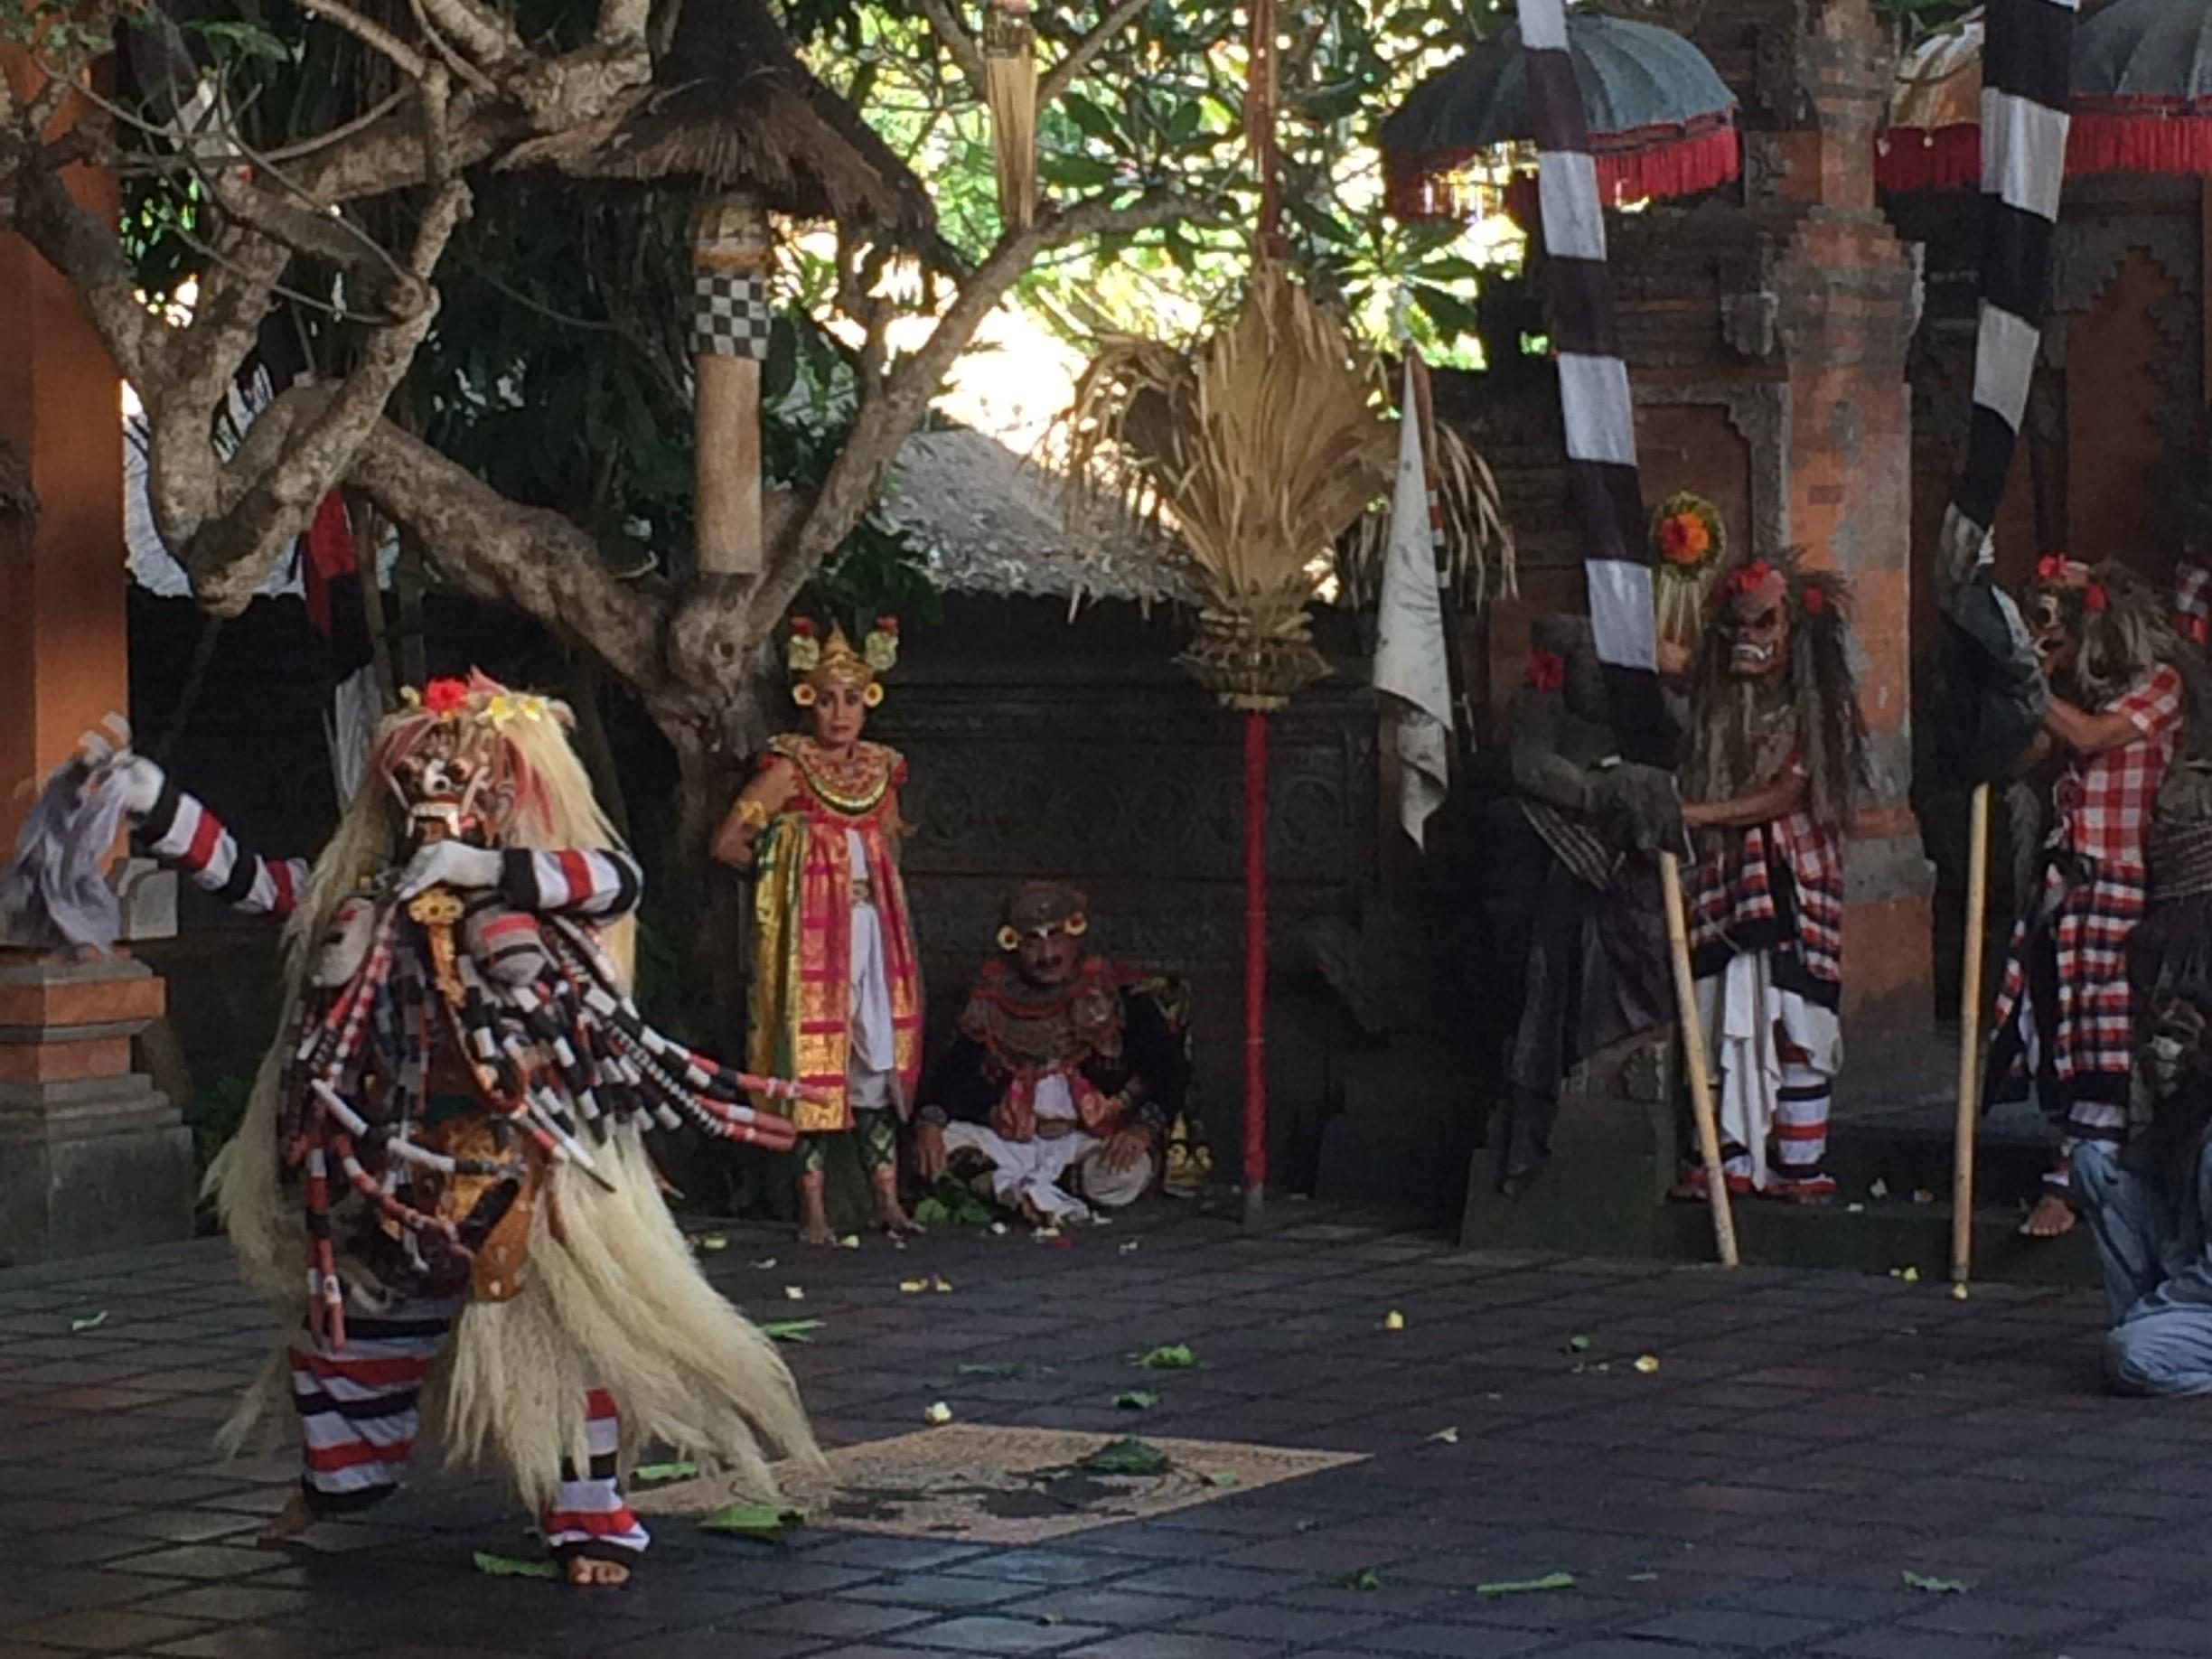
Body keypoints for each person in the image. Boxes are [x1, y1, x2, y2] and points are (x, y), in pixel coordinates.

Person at [4, 677, 821, 1587]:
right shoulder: (365, 891)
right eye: (422, 772)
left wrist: (488, 875)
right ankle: (338, 1483)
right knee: (345, 1332)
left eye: (461, 775)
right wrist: (153, 800)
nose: (437, 790)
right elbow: (257, 881)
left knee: (558, 1339)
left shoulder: (540, 891)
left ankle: (588, 1522)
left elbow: (613, 880)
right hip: (383, 1158)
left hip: (520, 1163)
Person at [1988, 558, 2190, 1239]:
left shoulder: (2159, 686)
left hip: (2120, 876)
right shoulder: (2077, 691)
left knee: (2104, 1033)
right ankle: (2076, 1164)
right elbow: (2026, 757)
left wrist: (2025, 672)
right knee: (2061, 1030)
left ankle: (2076, 1181)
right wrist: (2020, 693)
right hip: (2068, 879)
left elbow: (2092, 738)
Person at [715, 617, 923, 1245]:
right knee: (811, 1067)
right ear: (809, 701)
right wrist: (791, 878)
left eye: (852, 700)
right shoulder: (790, 769)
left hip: (873, 932)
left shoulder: (884, 773)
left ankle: (887, 1199)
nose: (840, 713)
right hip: (811, 940)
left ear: (869, 701)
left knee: (875, 1062)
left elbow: (890, 850)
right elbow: (728, 843)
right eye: (828, 699)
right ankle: (813, 1212)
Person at [1674, 553, 1866, 1202]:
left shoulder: (1821, 710)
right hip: (1724, 883)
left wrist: (1693, 814)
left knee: (1795, 1022)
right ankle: (1728, 1158)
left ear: (1795, 631)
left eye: (1764, 624)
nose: (1749, 639)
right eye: (1739, 626)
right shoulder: (1716, 706)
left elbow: (1782, 796)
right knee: (1719, 1016)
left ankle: (1797, 1162)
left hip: (1795, 885)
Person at [1495, 614, 1677, 1195]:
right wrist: (1594, 792)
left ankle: (1631, 1040)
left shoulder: (1643, 710)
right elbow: (1530, 764)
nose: (1597, 682)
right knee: (1565, 948)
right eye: (1588, 670)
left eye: (1609, 671)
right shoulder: (1544, 706)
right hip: (1558, 861)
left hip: (1636, 863)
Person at [913, 883, 1190, 1224]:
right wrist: (931, 1123)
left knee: (1123, 1175)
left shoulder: (1117, 996)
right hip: (1009, 1142)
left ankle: (1031, 1191)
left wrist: (1140, 1131)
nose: (1047, 954)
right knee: (937, 1146)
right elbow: (954, 1069)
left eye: (1055, 937)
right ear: (1014, 944)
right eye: (1033, 940)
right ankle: (1021, 1190)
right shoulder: (991, 999)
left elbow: (1168, 1069)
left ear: (1075, 934)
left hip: (1086, 1141)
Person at [2072, 982, 2212, 1395]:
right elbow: (2136, 1173)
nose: (2180, 1059)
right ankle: (2149, 1323)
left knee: (2132, 1358)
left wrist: (2153, 1309)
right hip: (2184, 1265)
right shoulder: (2190, 1108)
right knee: (2092, 1163)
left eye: (2196, 1048)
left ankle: (2150, 1329)